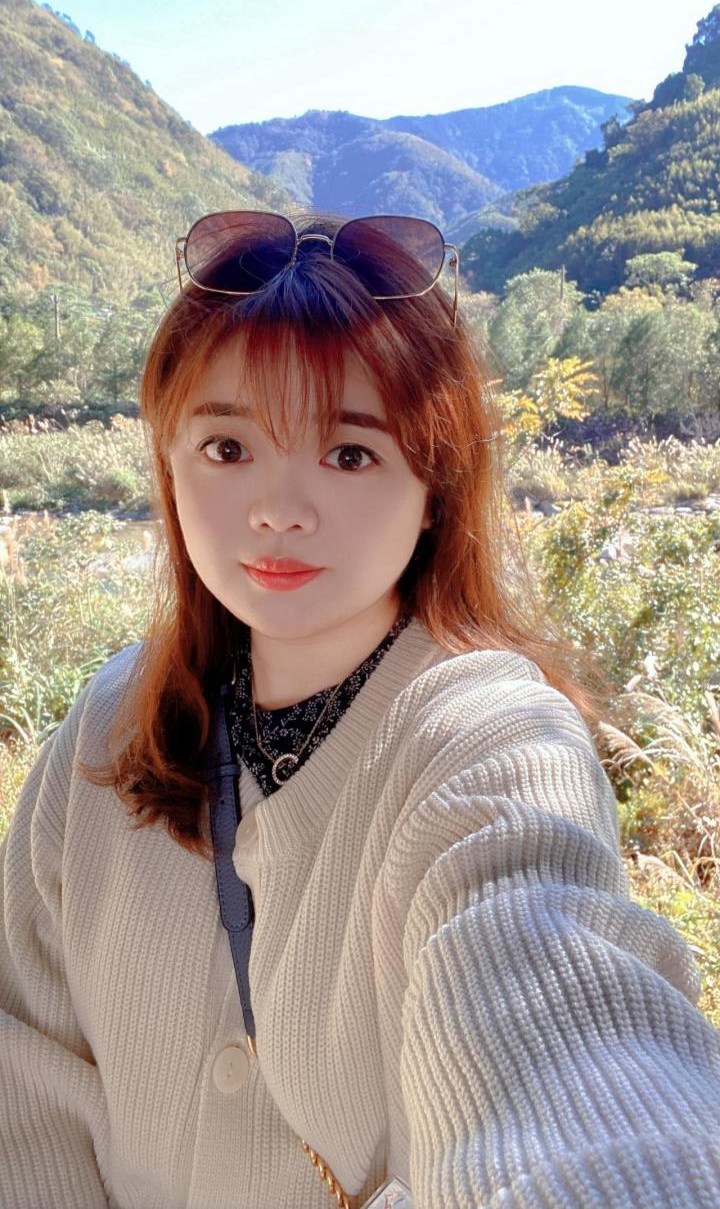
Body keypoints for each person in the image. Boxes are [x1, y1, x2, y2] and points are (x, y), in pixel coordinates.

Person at [1, 209, 720, 1209]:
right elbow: (24, 1072)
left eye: (348, 453)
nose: (277, 508)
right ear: (168, 464)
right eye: (227, 446)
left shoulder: (488, 741)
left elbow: (566, 1036)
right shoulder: (109, 722)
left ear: (435, 484)